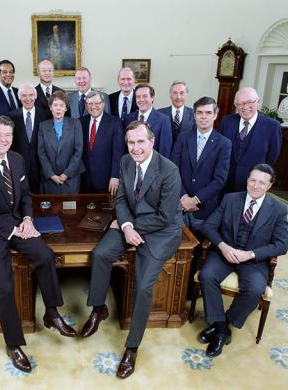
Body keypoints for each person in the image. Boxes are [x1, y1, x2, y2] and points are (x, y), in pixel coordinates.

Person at [0, 116, 76, 373]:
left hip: (17, 223)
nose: (4, 139)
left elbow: (25, 194)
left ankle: (51, 313)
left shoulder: (16, 159)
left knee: (46, 256)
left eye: (8, 135)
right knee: (5, 285)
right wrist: (15, 229)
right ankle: (13, 344)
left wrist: (26, 219)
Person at [81, 120, 183, 379]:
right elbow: (123, 199)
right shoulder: (126, 162)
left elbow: (166, 215)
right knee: (101, 254)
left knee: (144, 285)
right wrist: (126, 226)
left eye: (140, 142)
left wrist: (130, 226)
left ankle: (132, 347)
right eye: (131, 142)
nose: (135, 147)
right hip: (131, 222)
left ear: (152, 142)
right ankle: (98, 309)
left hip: (161, 230)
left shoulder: (169, 170)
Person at [198, 164, 288, 358]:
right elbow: (209, 226)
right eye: (252, 180)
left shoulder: (278, 210)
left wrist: (251, 254)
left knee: (256, 289)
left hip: (253, 261)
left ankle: (222, 325)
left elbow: (281, 245)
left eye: (261, 182)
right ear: (247, 180)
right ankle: (222, 329)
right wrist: (223, 246)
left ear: (269, 186)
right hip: (226, 253)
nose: (255, 185)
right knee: (207, 275)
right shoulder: (230, 199)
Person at [170, 97, 231, 234]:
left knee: (199, 249)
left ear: (215, 115)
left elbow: (219, 180)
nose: (204, 116)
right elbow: (173, 170)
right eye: (200, 112)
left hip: (205, 208)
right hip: (179, 204)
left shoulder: (224, 143)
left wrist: (195, 200)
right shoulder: (183, 137)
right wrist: (184, 197)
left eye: (208, 113)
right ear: (194, 115)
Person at [219, 87, 282, 193]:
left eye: (249, 102)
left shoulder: (272, 126)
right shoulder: (227, 121)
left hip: (253, 185)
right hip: (225, 181)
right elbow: (219, 150)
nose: (245, 107)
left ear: (258, 102)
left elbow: (272, 156)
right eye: (240, 104)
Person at [38, 90, 85, 194]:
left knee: (70, 209)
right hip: (50, 179)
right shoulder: (43, 126)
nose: (58, 108)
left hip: (71, 178)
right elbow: (41, 153)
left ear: (66, 108)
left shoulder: (75, 124)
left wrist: (67, 174)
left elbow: (78, 151)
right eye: (55, 105)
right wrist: (51, 175)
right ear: (50, 107)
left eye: (61, 105)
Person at [80, 90, 124, 195]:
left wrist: (115, 176)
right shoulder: (80, 122)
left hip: (107, 179)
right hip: (84, 178)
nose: (93, 106)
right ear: (86, 106)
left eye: (97, 103)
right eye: (90, 103)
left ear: (103, 104)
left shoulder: (115, 122)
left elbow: (118, 153)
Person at [9, 83, 48, 193]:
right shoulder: (12, 116)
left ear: (35, 96)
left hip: (40, 166)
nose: (28, 99)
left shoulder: (45, 115)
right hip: (19, 166)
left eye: (31, 95)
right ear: (19, 97)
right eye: (24, 95)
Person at [124, 84, 173, 158]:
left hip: (153, 166)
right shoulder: (128, 118)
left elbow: (164, 151)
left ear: (152, 98)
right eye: (138, 97)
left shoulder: (163, 120)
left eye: (145, 96)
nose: (141, 99)